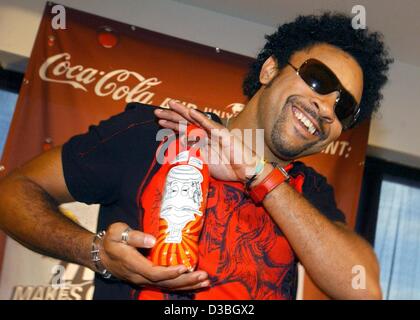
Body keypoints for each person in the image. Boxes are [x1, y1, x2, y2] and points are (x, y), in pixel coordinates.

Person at [0, 12, 392, 300]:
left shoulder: (307, 191)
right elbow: (14, 192)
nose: (326, 106)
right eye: (318, 79)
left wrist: (261, 174)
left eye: (344, 109)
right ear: (270, 69)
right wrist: (96, 252)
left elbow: (363, 289)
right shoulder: (156, 131)